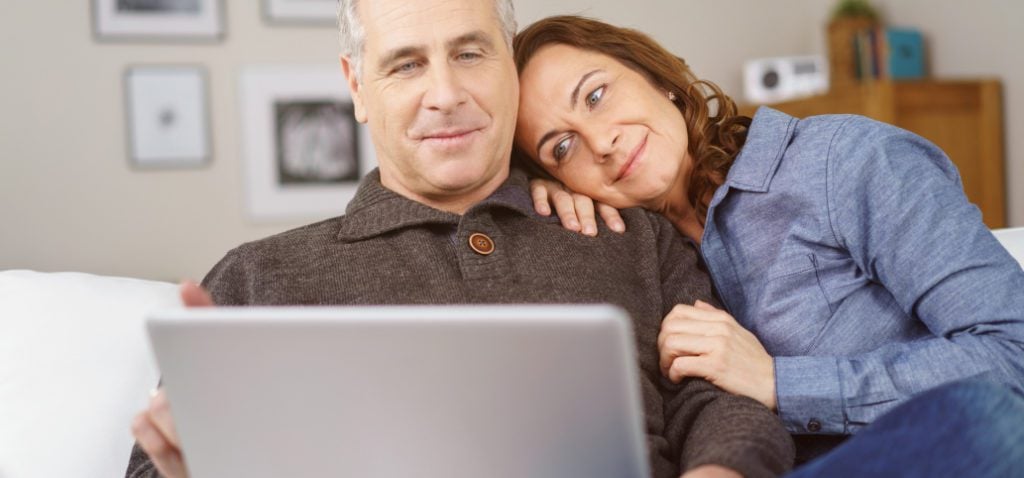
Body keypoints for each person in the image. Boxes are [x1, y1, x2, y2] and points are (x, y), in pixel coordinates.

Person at [124, 1, 795, 478]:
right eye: (406, 65)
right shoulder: (256, 278)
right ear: (358, 86)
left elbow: (721, 397)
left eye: (470, 53)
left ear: (510, 65)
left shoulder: (632, 236)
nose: (444, 93)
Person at [511, 15, 1024, 462]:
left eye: (596, 96)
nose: (601, 144)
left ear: (656, 77)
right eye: (562, 148)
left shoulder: (844, 161)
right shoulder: (641, 264)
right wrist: (526, 197)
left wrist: (781, 384)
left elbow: (1013, 354)